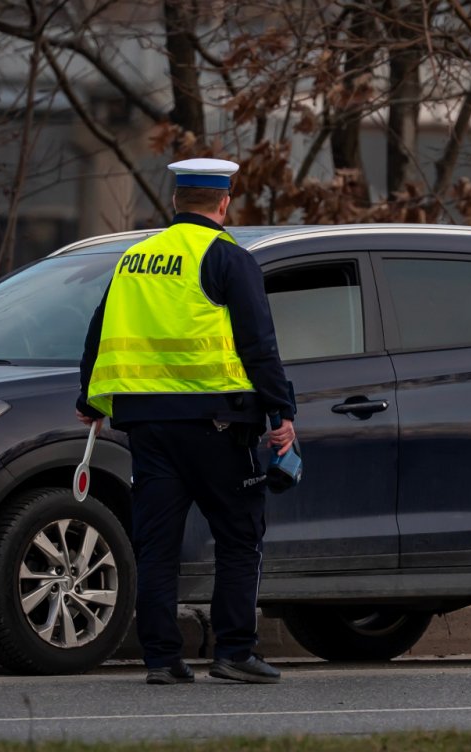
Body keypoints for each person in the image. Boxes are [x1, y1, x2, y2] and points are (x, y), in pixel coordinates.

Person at [76, 158, 296, 686]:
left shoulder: (134, 258)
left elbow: (99, 330)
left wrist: (89, 397)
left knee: (158, 543)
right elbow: (258, 344)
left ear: (176, 202)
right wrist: (280, 412)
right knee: (241, 537)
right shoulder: (227, 258)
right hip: (216, 424)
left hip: (148, 427)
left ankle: (161, 660)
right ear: (224, 203)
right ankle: (235, 651)